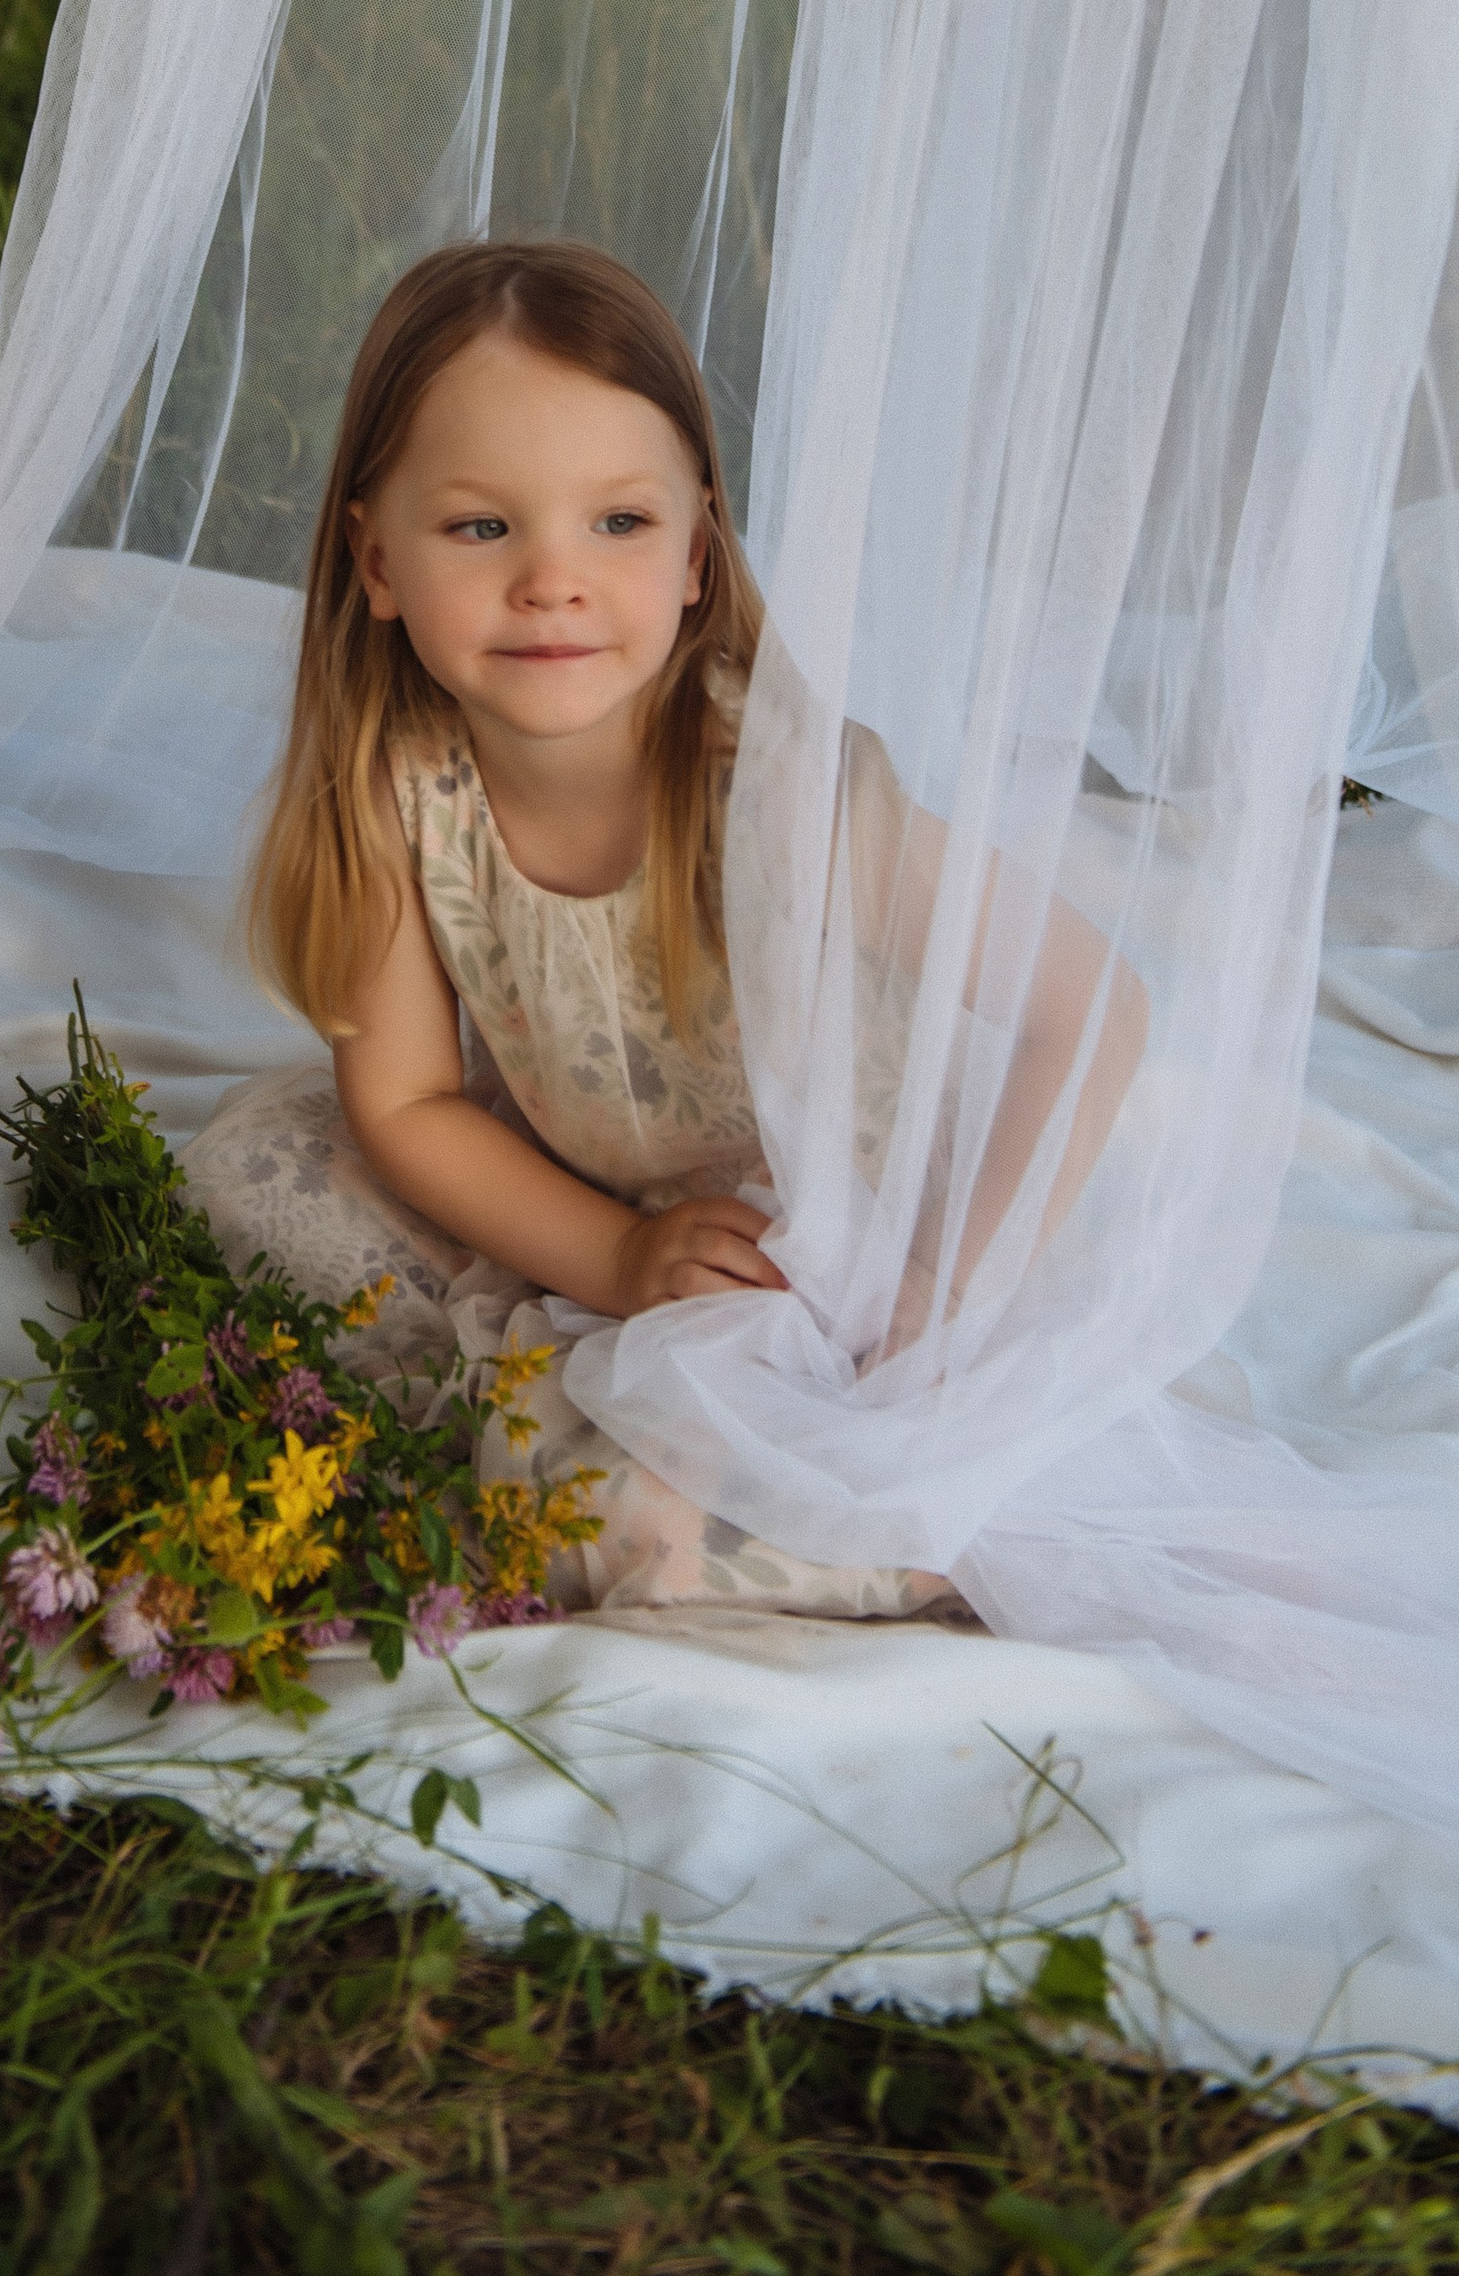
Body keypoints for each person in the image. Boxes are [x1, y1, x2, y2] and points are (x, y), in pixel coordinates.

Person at [184, 240, 1142, 1619]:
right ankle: (642, 1428)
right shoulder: (404, 786)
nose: (552, 581)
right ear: (374, 560)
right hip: (604, 1206)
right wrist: (618, 1261)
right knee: (250, 1168)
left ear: (699, 551)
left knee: (635, 1506)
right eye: (481, 527)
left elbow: (1091, 1006)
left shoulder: (777, 790)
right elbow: (401, 1102)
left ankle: (886, 1533)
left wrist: (946, 1289)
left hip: (826, 1238)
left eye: (618, 524)